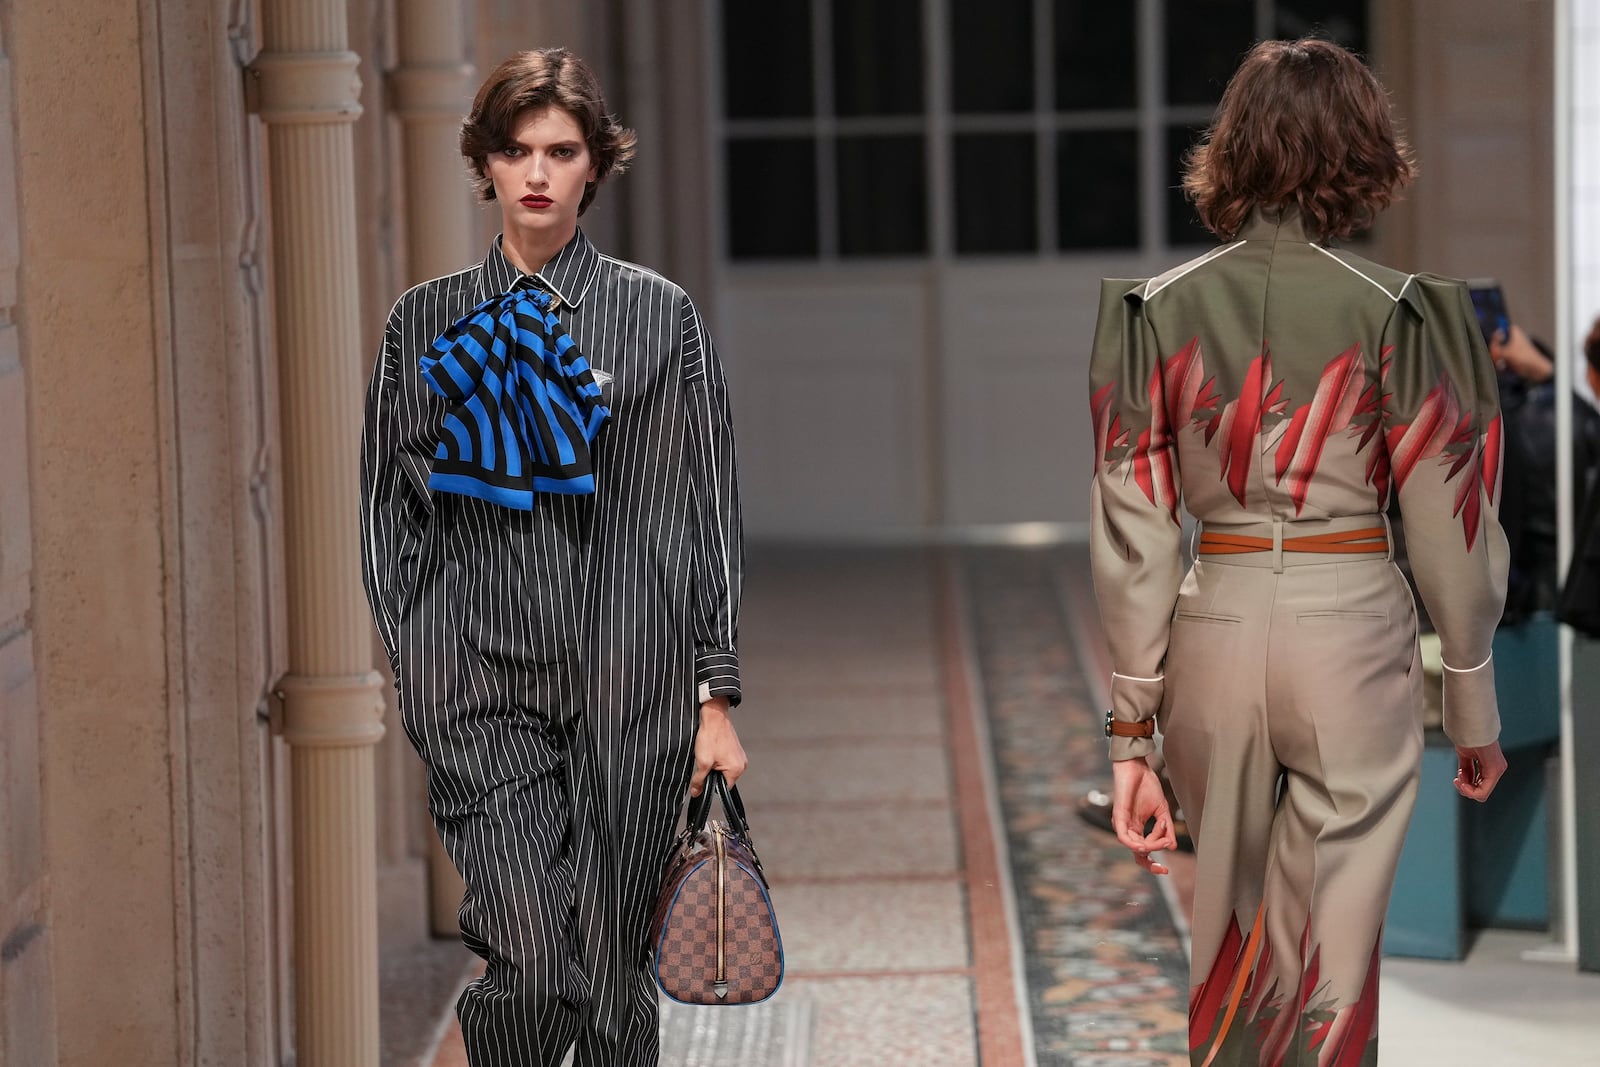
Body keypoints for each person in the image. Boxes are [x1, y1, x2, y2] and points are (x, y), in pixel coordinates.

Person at [1088, 38, 1509, 1065]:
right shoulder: (1408, 313)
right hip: (1350, 627)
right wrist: (1471, 699)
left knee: (1228, 939)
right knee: (1326, 946)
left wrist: (1127, 738)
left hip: (1213, 623)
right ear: (1361, 150)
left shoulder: (1154, 309)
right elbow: (1449, 528)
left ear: (1233, 148)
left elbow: (1131, 532)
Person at [360, 49, 747, 1067]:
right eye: (516, 149)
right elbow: (388, 509)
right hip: (477, 679)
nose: (537, 171)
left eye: (560, 151)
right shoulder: (425, 323)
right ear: (484, 163)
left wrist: (713, 693)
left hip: (630, 675)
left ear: (593, 166)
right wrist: (421, 658)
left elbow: (697, 508)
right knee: (529, 955)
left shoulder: (658, 317)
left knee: (615, 980)